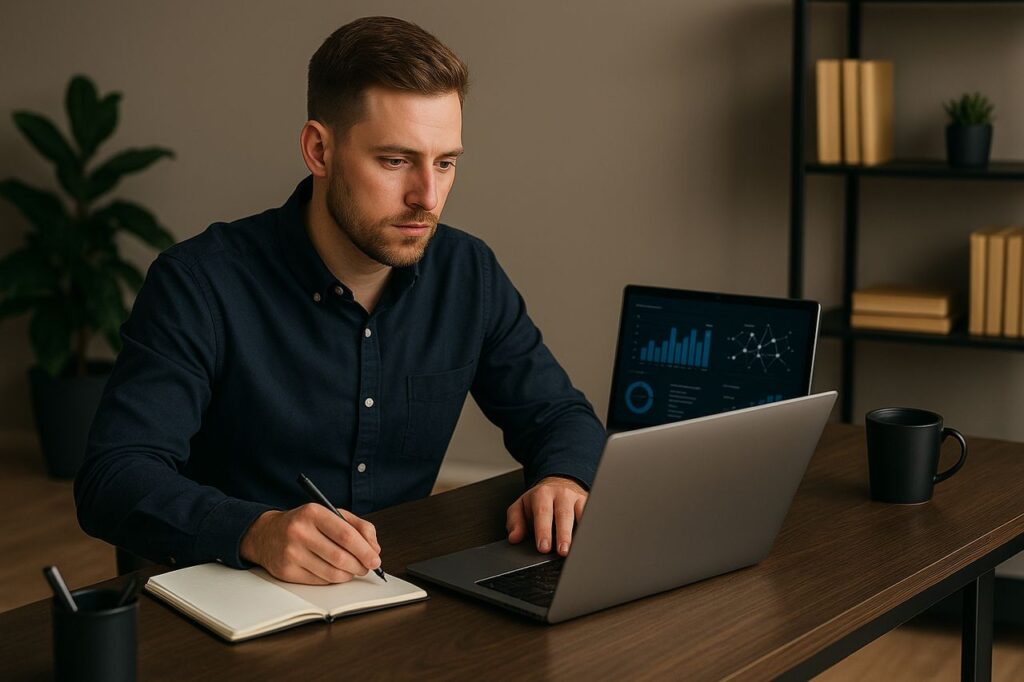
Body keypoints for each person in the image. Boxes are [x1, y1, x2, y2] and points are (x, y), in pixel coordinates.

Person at [75, 16, 605, 585]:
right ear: (319, 150)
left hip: (388, 593)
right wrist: (254, 530)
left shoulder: (467, 273)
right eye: (395, 161)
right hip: (220, 596)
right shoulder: (198, 282)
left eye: (445, 162)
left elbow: (559, 416)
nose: (427, 197)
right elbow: (114, 475)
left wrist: (564, 480)